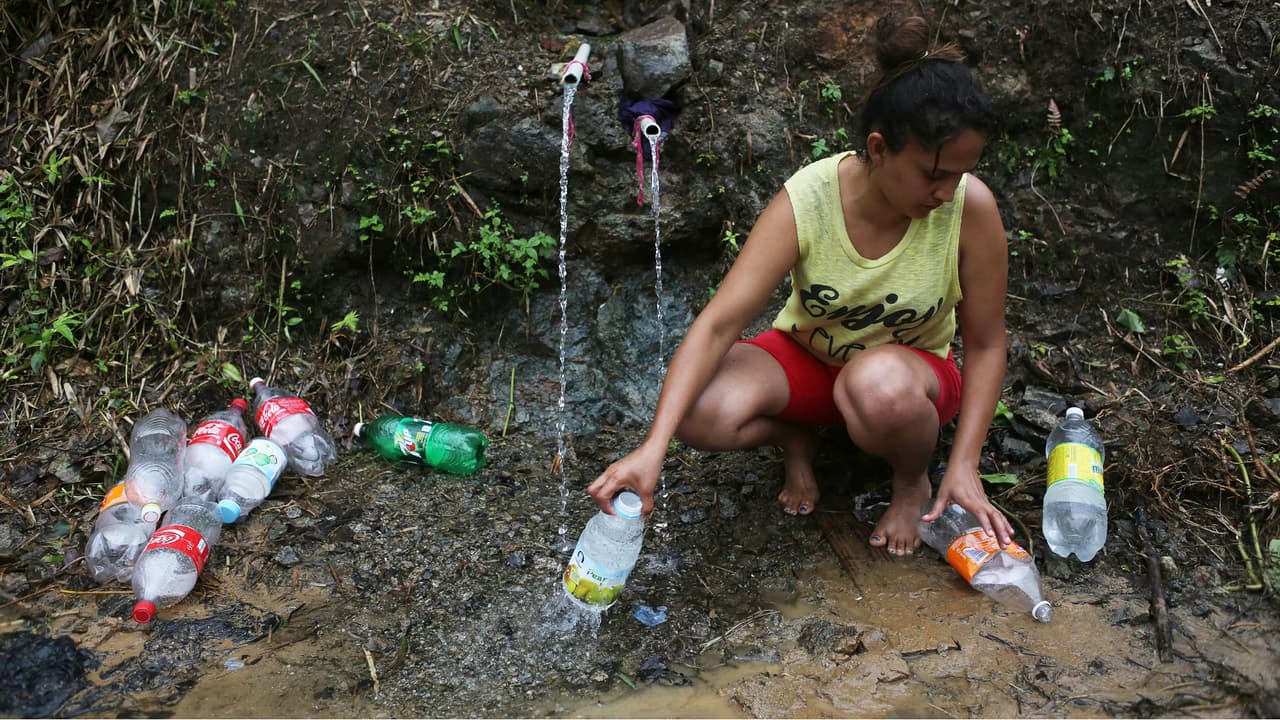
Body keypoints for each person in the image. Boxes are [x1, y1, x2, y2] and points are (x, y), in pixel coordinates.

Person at [588, 6, 1015, 556]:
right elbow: (720, 323)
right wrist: (653, 449)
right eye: (934, 175)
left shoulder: (969, 207)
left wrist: (966, 464)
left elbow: (984, 343)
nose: (946, 191)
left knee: (876, 382)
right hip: (812, 363)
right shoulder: (811, 199)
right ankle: (797, 436)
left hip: (910, 386)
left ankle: (911, 480)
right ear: (879, 149)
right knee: (698, 411)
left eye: (959, 173)